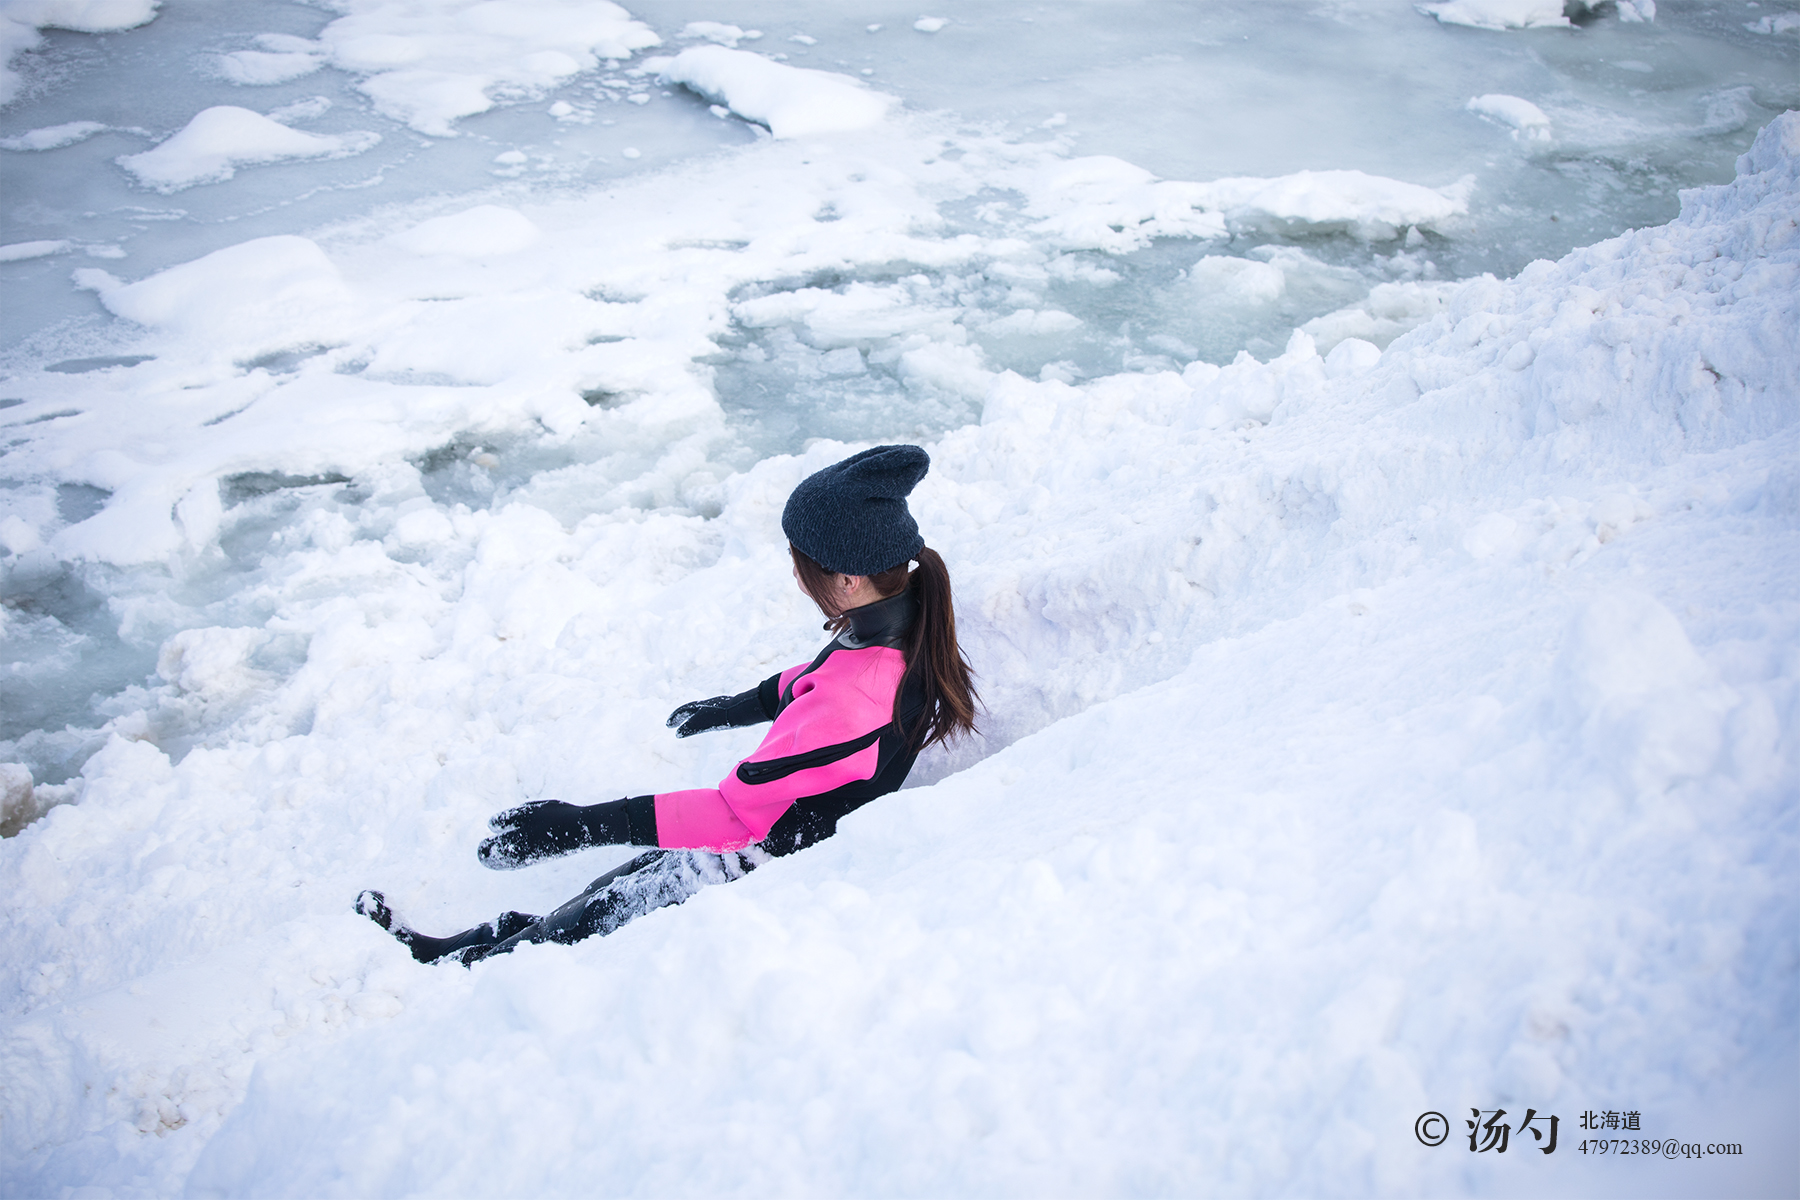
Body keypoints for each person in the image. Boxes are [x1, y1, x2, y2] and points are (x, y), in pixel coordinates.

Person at [356, 444, 977, 965]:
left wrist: (581, 822)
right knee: (603, 896)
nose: (796, 576)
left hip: (762, 864)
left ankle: (469, 969)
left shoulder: (855, 697)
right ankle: (482, 944)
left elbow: (735, 817)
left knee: (587, 928)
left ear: (846, 578)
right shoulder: (902, 624)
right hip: (787, 830)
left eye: (802, 562)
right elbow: (816, 676)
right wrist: (735, 706)